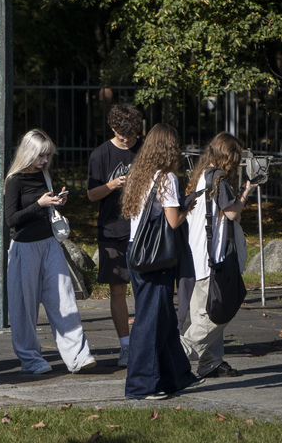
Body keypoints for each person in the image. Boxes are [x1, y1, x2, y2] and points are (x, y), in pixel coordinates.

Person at [4, 129, 97, 375]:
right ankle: (30, 359)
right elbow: (11, 219)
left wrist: (55, 202)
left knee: (64, 299)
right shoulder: (15, 180)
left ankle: (78, 356)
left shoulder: (44, 175)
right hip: (24, 247)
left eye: (47, 155)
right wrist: (39, 205)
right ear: (28, 153)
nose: (45, 160)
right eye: (40, 155)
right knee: (25, 305)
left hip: (49, 244)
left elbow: (43, 206)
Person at [119, 123, 199, 400]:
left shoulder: (138, 174)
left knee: (162, 316)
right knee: (149, 321)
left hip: (136, 251)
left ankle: (178, 375)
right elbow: (173, 221)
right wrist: (187, 207)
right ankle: (141, 386)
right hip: (157, 257)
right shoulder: (167, 178)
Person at [180, 132, 257, 378]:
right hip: (210, 261)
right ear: (228, 157)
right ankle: (176, 353)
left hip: (195, 257)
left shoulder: (200, 177)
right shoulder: (220, 181)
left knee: (205, 311)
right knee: (216, 314)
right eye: (235, 158)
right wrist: (246, 192)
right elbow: (233, 213)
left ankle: (210, 363)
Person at [87, 102, 143, 367]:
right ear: (112, 128)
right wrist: (112, 185)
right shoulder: (100, 154)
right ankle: (125, 345)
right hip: (112, 230)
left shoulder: (143, 151)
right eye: (122, 133)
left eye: (131, 133)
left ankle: (145, 341)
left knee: (144, 287)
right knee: (118, 289)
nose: (127, 138)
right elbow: (90, 194)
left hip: (142, 229)